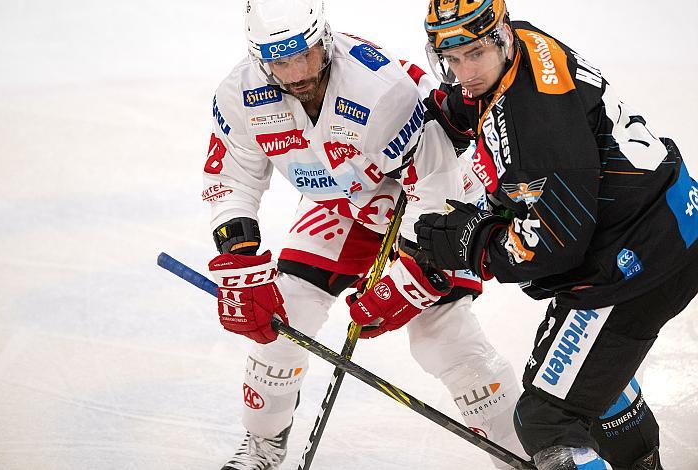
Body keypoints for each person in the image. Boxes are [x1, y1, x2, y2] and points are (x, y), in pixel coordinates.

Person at [202, 0, 528, 468]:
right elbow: (232, 178)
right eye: (279, 60)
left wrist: (413, 276)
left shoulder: (381, 91)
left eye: (305, 55)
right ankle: (263, 447)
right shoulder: (241, 93)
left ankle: (521, 457)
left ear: (325, 38)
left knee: (444, 339)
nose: (295, 72)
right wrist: (240, 262)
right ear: (258, 57)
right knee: (283, 322)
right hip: (343, 205)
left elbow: (435, 183)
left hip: (433, 197)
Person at [413, 1, 698, 469]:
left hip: (634, 263)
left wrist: (472, 243)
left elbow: (555, 243)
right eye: (452, 58)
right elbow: (481, 97)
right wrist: (454, 111)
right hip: (669, 227)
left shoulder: (539, 122)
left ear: (500, 37)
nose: (463, 72)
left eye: (474, 55)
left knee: (547, 419)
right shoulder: (520, 44)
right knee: (591, 383)